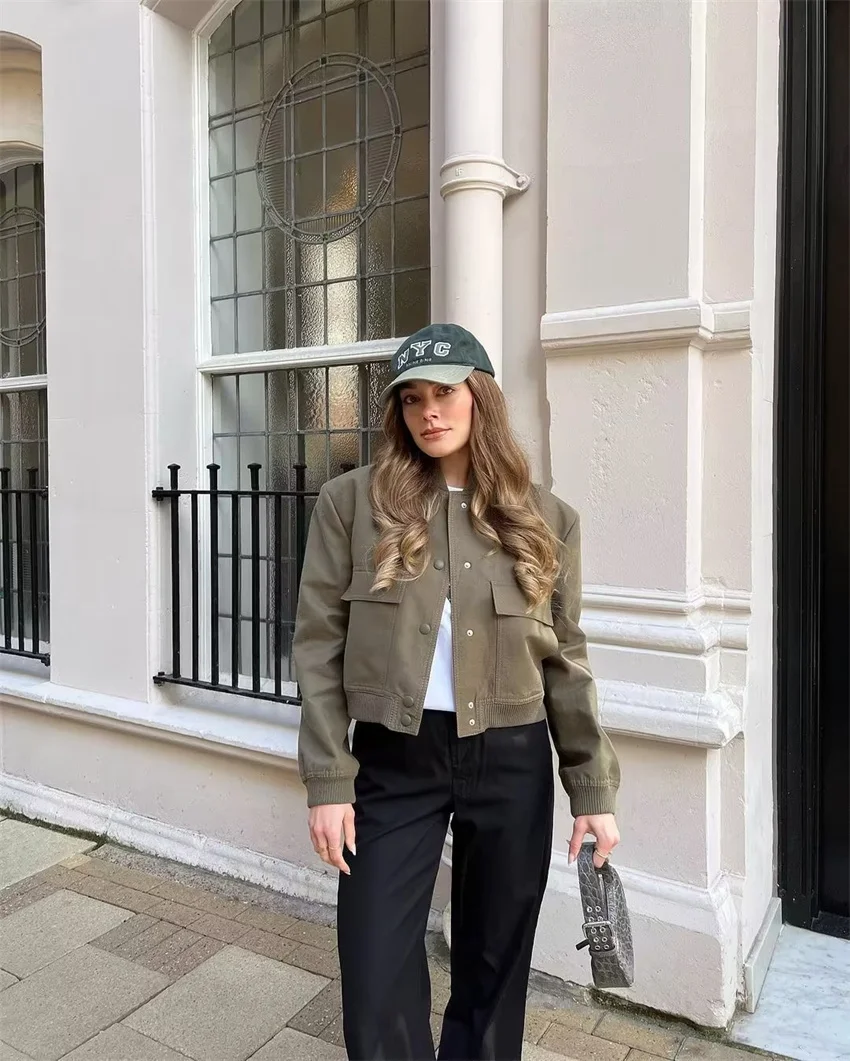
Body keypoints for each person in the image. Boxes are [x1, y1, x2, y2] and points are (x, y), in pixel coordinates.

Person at [293, 323, 621, 1061]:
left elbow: (566, 659)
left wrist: (592, 789)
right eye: (411, 399)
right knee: (373, 967)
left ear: (481, 397)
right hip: (394, 760)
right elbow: (318, 646)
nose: (428, 412)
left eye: (444, 392)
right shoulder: (351, 504)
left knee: (493, 968)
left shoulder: (546, 518)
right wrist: (328, 779)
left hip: (510, 757)